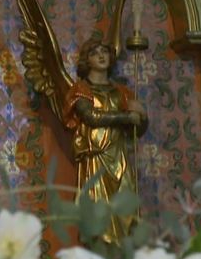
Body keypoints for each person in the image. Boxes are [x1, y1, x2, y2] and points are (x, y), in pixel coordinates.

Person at [61, 37, 147, 242]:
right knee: (98, 216)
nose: (101, 56)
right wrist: (126, 117)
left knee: (125, 214)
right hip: (96, 159)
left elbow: (137, 130)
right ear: (87, 60)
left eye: (104, 51)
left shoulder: (122, 92)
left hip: (119, 158)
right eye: (94, 53)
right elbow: (91, 117)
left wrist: (142, 116)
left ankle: (124, 253)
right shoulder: (81, 90)